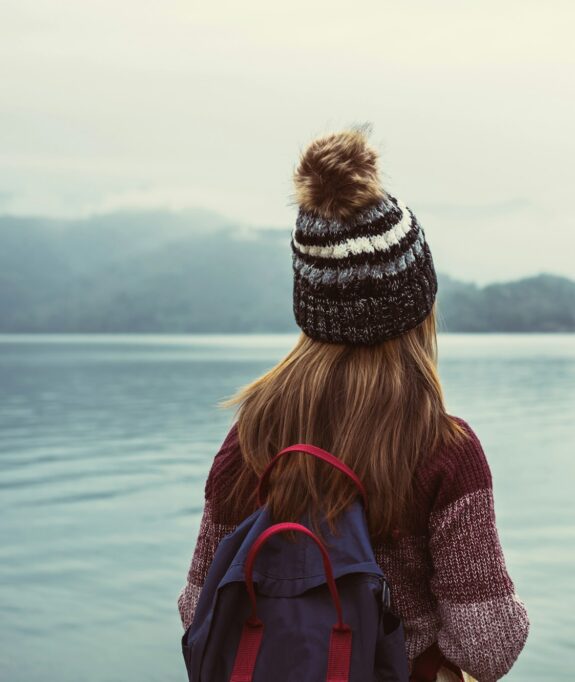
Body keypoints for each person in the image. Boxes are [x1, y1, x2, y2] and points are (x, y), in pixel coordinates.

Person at [177, 127, 529, 680]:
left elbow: (196, 606)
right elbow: (489, 648)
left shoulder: (250, 437)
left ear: (310, 305)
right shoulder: (444, 449)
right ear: (418, 309)